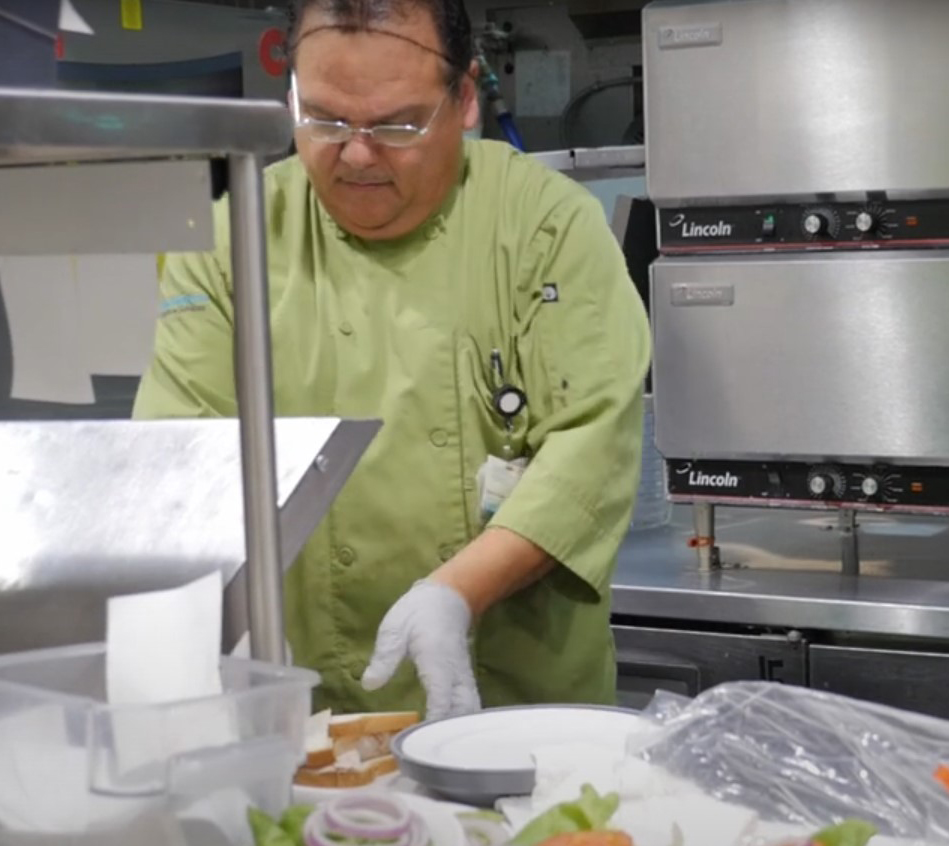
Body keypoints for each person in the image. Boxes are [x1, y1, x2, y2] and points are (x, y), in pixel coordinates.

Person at [133, 0, 651, 719]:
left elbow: (590, 445)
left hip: (517, 712)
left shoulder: (546, 224)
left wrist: (455, 593)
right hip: (313, 710)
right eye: (323, 119)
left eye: (397, 123)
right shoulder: (235, 237)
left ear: (465, 98)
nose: (356, 153)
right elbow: (177, 462)